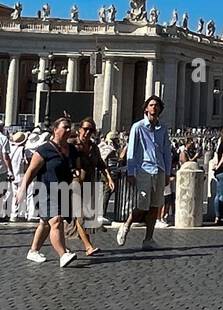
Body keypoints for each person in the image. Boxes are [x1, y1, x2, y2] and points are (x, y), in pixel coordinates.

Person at [15, 115, 79, 266]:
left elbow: (75, 166)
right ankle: (63, 255)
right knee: (56, 221)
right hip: (45, 191)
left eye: (70, 128)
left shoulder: (71, 149)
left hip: (63, 191)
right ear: (55, 130)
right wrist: (22, 189)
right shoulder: (44, 150)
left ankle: (33, 251)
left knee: (45, 223)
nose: (69, 130)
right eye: (65, 127)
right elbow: (31, 170)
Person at [116, 96, 172, 250]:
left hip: (159, 169)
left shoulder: (163, 128)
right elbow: (132, 151)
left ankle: (148, 238)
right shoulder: (138, 127)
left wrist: (167, 172)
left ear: (160, 109)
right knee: (142, 204)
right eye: (151, 105)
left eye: (157, 106)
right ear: (146, 108)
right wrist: (131, 171)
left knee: (155, 206)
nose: (154, 108)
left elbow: (167, 151)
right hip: (143, 170)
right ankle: (126, 225)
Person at [68, 118, 112, 255]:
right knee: (79, 216)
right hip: (73, 184)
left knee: (79, 218)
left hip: (88, 185)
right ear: (79, 129)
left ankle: (63, 245)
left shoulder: (94, 147)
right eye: (85, 129)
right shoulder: (71, 144)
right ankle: (88, 246)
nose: (87, 132)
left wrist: (109, 179)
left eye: (90, 130)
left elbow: (101, 164)